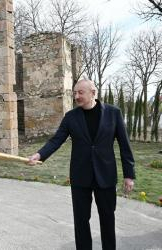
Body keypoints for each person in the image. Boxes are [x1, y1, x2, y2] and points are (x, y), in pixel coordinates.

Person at [27, 79, 135, 250]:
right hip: (80, 177)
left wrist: (129, 175)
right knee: (81, 221)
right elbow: (56, 140)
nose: (76, 96)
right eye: (74, 93)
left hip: (105, 176)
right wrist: (40, 154)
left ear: (93, 92)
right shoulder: (71, 117)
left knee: (107, 219)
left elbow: (125, 146)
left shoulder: (114, 113)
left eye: (80, 92)